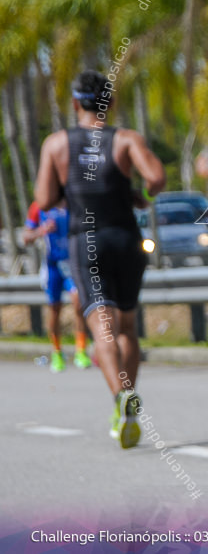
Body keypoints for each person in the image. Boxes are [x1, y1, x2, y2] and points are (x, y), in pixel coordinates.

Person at [34, 69, 166, 449]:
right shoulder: (125, 139)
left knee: (102, 330)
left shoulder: (56, 144)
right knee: (126, 328)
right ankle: (128, 400)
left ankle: (119, 398)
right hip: (125, 238)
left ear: (76, 103)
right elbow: (156, 177)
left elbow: (43, 200)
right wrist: (139, 192)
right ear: (110, 104)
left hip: (85, 240)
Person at [23, 201, 90, 372]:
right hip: (53, 265)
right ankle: (56, 351)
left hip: (73, 264)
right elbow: (26, 237)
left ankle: (81, 350)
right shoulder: (39, 206)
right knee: (54, 309)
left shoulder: (73, 201)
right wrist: (41, 230)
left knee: (78, 304)